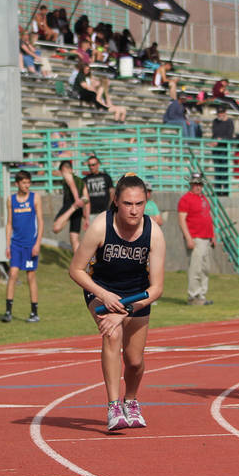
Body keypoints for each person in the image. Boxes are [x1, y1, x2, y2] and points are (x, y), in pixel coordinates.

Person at [68, 174, 166, 431]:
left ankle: (131, 401)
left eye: (139, 204)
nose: (133, 210)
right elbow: (76, 270)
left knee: (134, 360)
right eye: (127, 204)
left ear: (146, 202)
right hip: (102, 289)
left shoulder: (154, 232)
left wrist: (125, 310)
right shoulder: (102, 226)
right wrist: (104, 295)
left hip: (137, 295)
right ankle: (113, 406)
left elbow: (156, 289)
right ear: (116, 202)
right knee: (112, 333)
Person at [1, 170, 43, 324]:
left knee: (30, 276)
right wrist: (7, 245)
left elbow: (40, 221)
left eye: (28, 182)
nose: (27, 185)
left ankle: (34, 312)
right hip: (16, 245)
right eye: (24, 182)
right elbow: (9, 223)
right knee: (12, 274)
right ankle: (8, 311)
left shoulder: (35, 198)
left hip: (30, 245)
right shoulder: (11, 200)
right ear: (17, 184)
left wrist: (37, 243)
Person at [177, 172, 215, 306]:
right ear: (191, 184)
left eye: (199, 184)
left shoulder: (204, 198)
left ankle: (201, 295)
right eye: (195, 184)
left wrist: (213, 236)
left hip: (206, 237)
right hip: (195, 237)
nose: (198, 186)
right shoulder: (186, 199)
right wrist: (188, 238)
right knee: (195, 268)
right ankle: (193, 296)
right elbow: (182, 220)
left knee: (205, 268)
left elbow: (208, 217)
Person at [51, 159, 86, 252]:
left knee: (56, 228)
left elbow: (72, 184)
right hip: (80, 208)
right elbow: (87, 198)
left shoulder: (67, 174)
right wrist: (86, 216)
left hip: (71, 204)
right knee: (74, 238)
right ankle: (79, 264)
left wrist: (76, 201)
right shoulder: (81, 181)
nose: (62, 174)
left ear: (64, 169)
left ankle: (79, 264)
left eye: (61, 171)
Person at [83, 155, 114, 226]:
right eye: (89, 165)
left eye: (93, 165)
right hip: (91, 213)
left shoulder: (106, 177)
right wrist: (85, 211)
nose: (91, 167)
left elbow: (112, 194)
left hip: (105, 212)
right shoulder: (85, 180)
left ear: (98, 165)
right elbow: (84, 197)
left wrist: (110, 209)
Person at [210, 106, 235, 192]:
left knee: (224, 170)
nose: (220, 114)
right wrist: (214, 141)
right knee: (217, 170)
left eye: (221, 112)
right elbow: (214, 133)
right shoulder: (215, 121)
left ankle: (225, 190)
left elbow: (229, 136)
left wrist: (220, 140)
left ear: (225, 112)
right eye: (219, 113)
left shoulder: (229, 122)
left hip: (224, 148)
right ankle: (217, 190)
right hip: (216, 148)